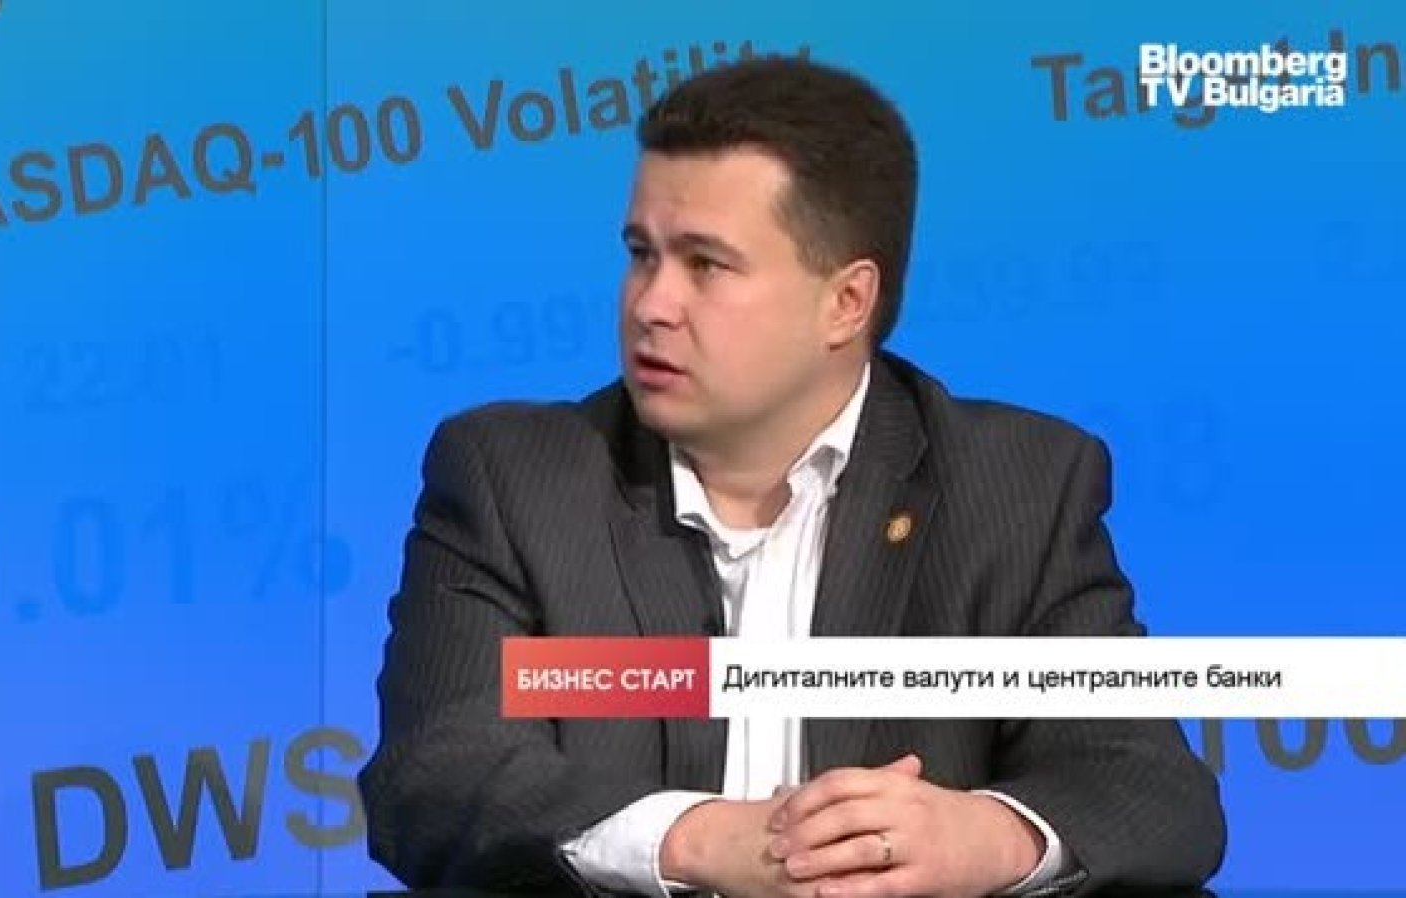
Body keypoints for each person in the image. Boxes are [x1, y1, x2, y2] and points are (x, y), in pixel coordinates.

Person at [358, 56, 1227, 898]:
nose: (650, 304)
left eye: (705, 264)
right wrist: (700, 840)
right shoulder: (514, 478)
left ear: (846, 303)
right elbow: (436, 774)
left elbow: (1151, 788)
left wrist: (986, 837)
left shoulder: (1017, 487)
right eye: (641, 253)